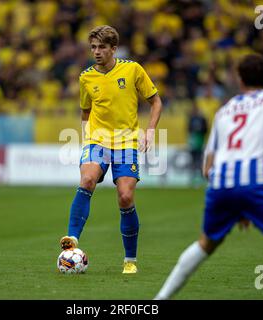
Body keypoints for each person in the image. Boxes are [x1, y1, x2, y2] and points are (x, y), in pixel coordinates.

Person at [155, 54, 263, 300]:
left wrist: (236, 201)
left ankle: (159, 300)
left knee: (206, 244)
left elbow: (207, 167)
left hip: (221, 184)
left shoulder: (225, 111)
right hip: (255, 182)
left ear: (240, 80)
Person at [59, 25, 163, 274]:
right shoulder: (86, 77)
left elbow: (156, 101)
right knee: (87, 179)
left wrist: (150, 130)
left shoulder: (132, 69)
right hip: (97, 140)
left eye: (102, 47)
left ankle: (130, 260)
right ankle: (72, 241)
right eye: (93, 47)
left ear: (113, 49)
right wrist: (87, 138)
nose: (96, 52)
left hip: (126, 142)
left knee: (125, 197)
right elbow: (85, 111)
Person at [187, 103, 208, 186]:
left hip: (200, 141)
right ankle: (193, 177)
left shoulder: (202, 119)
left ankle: (200, 177)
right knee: (193, 159)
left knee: (200, 160)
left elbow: (206, 129)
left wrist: (199, 131)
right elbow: (188, 129)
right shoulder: (191, 119)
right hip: (193, 141)